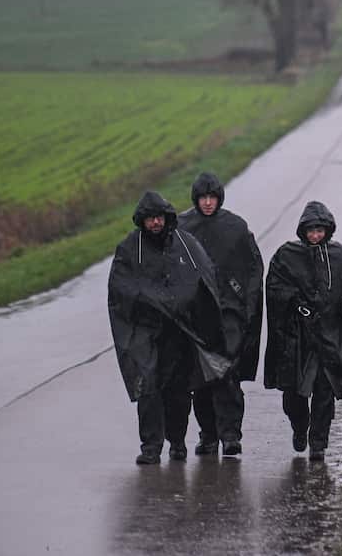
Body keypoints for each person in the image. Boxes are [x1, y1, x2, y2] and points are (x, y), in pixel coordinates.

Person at [108, 190, 230, 465]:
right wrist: (151, 302)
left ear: (166, 217)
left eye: (159, 218)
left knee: (178, 391)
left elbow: (204, 278)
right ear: (142, 221)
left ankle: (177, 441)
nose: (155, 223)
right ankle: (151, 446)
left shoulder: (185, 243)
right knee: (148, 388)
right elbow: (121, 289)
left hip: (180, 332)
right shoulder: (130, 249)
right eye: (149, 219)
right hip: (145, 333)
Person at [263, 201, 342, 461]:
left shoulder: (340, 257)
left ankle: (318, 442)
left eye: (320, 230)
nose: (316, 235)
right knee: (293, 396)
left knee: (324, 391)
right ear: (303, 230)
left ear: (328, 230)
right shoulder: (287, 255)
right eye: (311, 230)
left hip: (329, 337)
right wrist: (296, 304)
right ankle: (300, 427)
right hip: (297, 339)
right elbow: (275, 288)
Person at [177, 172, 264, 457]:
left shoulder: (236, 228)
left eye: (212, 197)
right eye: (203, 198)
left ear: (220, 198)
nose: (208, 203)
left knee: (227, 373)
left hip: (229, 314)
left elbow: (253, 268)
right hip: (196, 315)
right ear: (196, 198)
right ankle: (209, 435)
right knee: (200, 378)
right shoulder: (182, 227)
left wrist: (246, 305)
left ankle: (230, 435)